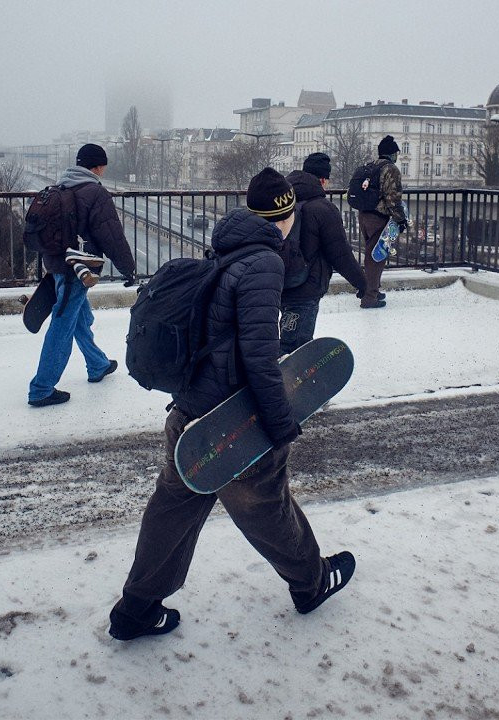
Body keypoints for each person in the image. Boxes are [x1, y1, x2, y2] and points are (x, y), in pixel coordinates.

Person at [107, 168, 354, 641]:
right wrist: (280, 424)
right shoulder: (264, 263)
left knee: (173, 509)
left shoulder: (226, 248)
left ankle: (136, 608)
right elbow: (259, 356)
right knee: (265, 505)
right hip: (233, 420)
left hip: (191, 415)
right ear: (286, 216)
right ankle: (312, 582)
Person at [27, 143, 137, 407]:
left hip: (57, 264)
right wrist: (128, 268)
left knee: (79, 317)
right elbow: (111, 236)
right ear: (97, 166)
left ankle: (97, 364)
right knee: (63, 323)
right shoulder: (95, 192)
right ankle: (41, 388)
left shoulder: (60, 186)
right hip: (78, 268)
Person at [280, 152, 371, 353]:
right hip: (306, 287)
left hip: (281, 281)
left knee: (289, 337)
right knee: (296, 348)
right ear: (323, 180)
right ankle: (286, 373)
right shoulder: (323, 208)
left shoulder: (283, 202)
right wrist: (362, 282)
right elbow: (340, 254)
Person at [356, 135, 406, 310]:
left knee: (372, 255)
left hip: (364, 215)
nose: (397, 156)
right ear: (391, 154)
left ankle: (373, 291)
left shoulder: (371, 166)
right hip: (378, 218)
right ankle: (369, 298)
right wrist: (400, 219)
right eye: (396, 153)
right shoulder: (390, 169)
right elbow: (393, 198)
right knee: (376, 258)